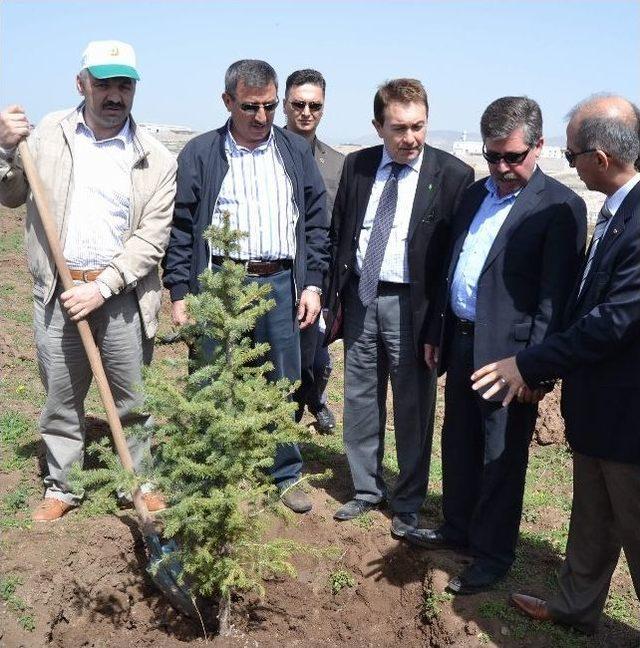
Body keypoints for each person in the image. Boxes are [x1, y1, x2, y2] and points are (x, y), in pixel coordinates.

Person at [471, 94, 640, 633]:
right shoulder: (618, 213)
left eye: (571, 156)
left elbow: (611, 323)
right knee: (592, 517)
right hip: (598, 411)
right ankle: (573, 607)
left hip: (629, 414)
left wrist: (528, 364)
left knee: (633, 523)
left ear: (602, 159)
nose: (569, 165)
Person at [406, 96, 587, 595]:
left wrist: (535, 369)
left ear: (539, 146)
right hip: (462, 341)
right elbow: (453, 269)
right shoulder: (473, 193)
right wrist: (437, 333)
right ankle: (457, 527)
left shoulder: (559, 207)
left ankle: (491, 554)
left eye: (513, 157)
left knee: (500, 458)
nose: (502, 168)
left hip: (510, 359)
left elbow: (554, 299)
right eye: (492, 157)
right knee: (459, 441)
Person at [0, 40, 177, 521]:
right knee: (61, 394)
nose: (114, 95)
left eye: (124, 84)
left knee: (132, 396)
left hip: (120, 294)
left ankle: (138, 483)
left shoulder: (155, 158)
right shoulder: (46, 137)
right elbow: (11, 195)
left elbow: (152, 237)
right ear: (82, 84)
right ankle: (63, 486)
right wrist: (3, 148)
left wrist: (102, 286)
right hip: (58, 291)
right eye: (103, 84)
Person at [162, 59, 329, 514]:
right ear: (227, 102)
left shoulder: (293, 153)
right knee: (213, 377)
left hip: (279, 283)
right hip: (220, 284)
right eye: (250, 107)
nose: (261, 118)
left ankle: (284, 473)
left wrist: (312, 284)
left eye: (270, 107)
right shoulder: (201, 154)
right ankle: (211, 470)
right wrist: (180, 291)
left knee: (283, 381)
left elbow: (316, 224)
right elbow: (181, 228)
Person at [324, 78, 474, 537]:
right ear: (378, 126)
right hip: (363, 298)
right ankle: (367, 489)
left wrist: (437, 326)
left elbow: (451, 257)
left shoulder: (453, 176)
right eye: (399, 128)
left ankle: (408, 500)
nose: (410, 138)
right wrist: (334, 300)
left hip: (415, 307)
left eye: (418, 126)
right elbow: (339, 235)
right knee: (361, 397)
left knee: (413, 406)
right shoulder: (358, 166)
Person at [283, 69, 344, 433]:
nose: (306, 112)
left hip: (318, 273)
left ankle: (315, 398)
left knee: (317, 352)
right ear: (285, 106)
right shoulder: (266, 152)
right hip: (274, 271)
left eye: (314, 106)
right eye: (299, 104)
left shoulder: (338, 163)